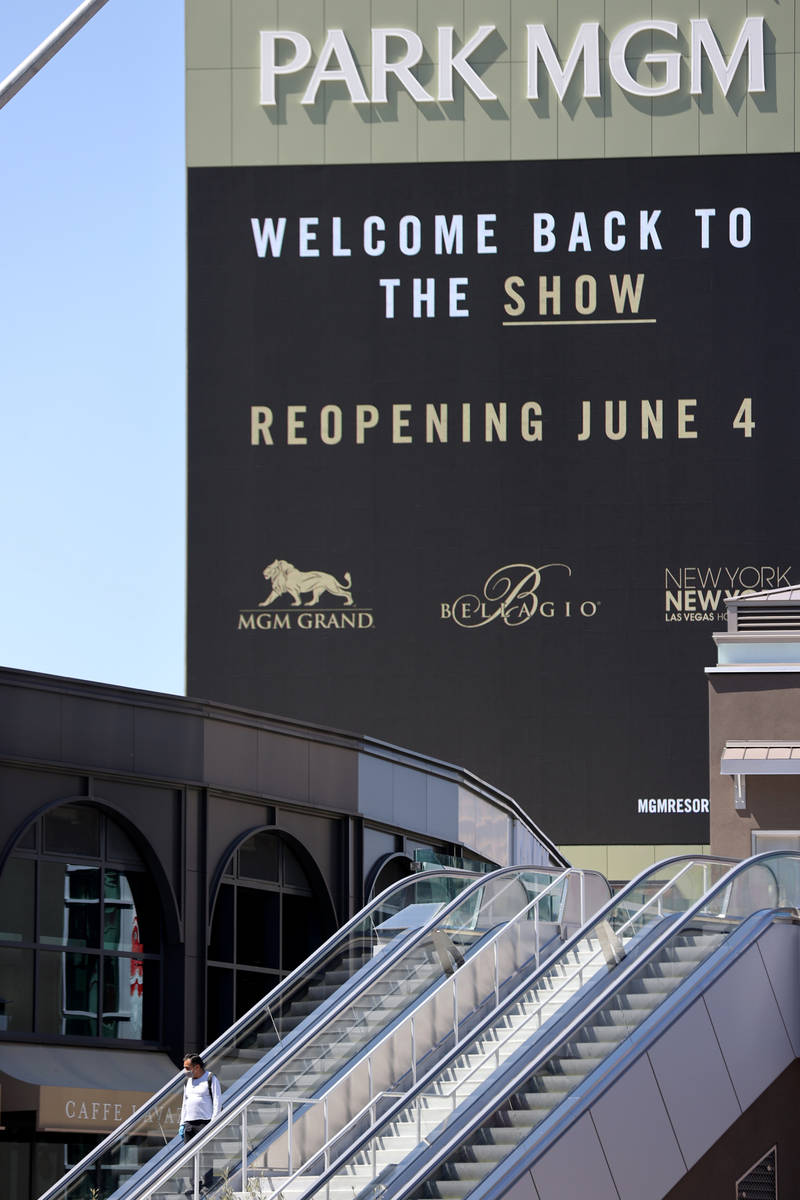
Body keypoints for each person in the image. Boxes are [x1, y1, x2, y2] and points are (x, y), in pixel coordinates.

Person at [179, 1053, 222, 1194]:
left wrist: (214, 1123)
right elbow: (185, 1104)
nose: (185, 1071)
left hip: (205, 1122)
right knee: (190, 1156)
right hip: (189, 1123)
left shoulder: (210, 1078)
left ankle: (207, 1183)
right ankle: (194, 1185)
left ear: (197, 1067)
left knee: (206, 1155)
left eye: (187, 1068)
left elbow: (217, 1101)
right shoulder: (187, 1082)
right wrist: (182, 1123)